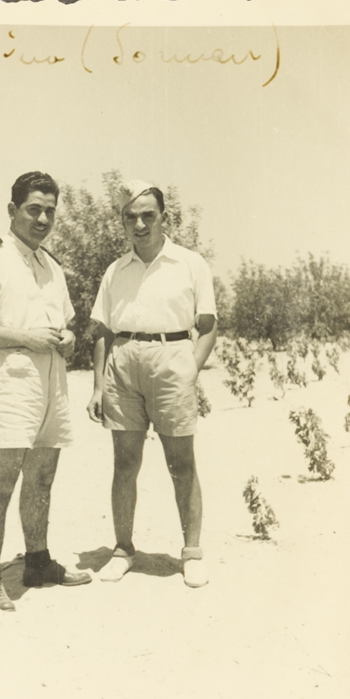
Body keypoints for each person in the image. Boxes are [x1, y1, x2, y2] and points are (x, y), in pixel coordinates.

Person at [0, 171, 91, 611]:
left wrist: (69, 338)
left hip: (52, 383)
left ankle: (37, 562)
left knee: (42, 477)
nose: (43, 218)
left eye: (50, 210)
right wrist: (25, 338)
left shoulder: (52, 265)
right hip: (11, 382)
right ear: (12, 210)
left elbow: (65, 324)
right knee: (0, 482)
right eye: (34, 209)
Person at [87, 179, 217, 588]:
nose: (139, 225)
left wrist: (190, 369)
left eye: (148, 216)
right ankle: (123, 550)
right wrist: (98, 387)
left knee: (182, 463)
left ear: (164, 217)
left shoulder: (190, 263)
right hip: (123, 363)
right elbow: (102, 331)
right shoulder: (115, 270)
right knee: (125, 463)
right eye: (131, 218)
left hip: (172, 358)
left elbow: (208, 325)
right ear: (122, 222)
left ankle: (191, 554)